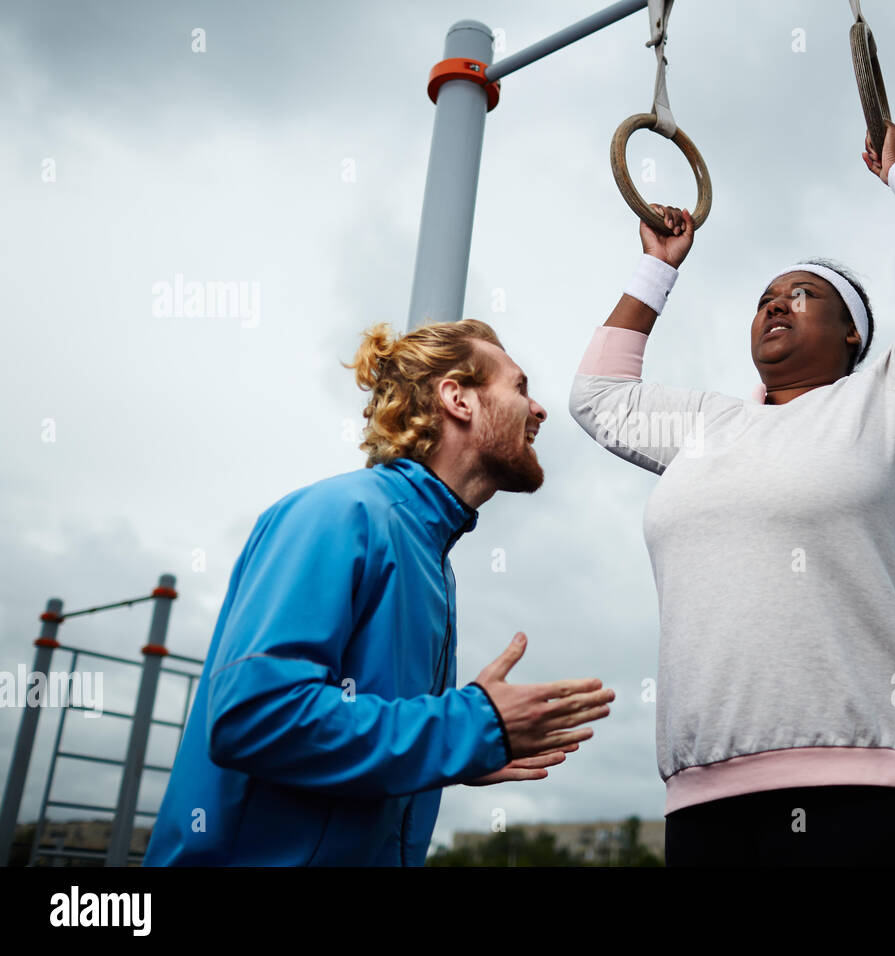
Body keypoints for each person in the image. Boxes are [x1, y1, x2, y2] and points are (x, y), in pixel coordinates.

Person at [569, 121, 895, 866]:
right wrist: (656, 269)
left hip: (874, 786)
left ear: (853, 334)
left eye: (803, 294)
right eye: (764, 298)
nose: (776, 304)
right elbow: (596, 397)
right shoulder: (708, 426)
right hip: (706, 795)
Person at [145, 318, 615, 866]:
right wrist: (467, 726)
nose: (539, 410)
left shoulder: (434, 563)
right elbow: (255, 716)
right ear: (457, 399)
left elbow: (362, 740)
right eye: (519, 388)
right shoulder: (340, 514)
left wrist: (456, 751)